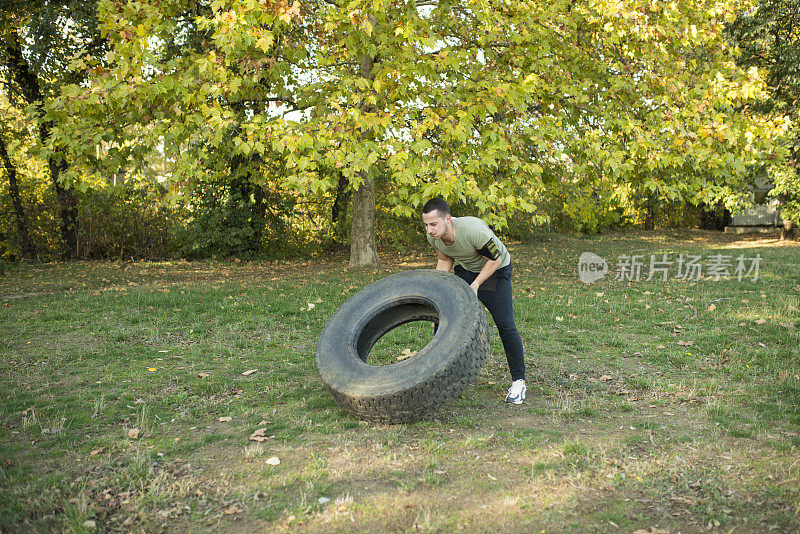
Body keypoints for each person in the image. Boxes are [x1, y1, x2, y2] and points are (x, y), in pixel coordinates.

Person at [421, 198, 526, 404]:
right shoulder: (434, 237)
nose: (429, 229)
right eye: (426, 224)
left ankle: (518, 382)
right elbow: (445, 259)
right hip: (468, 270)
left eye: (433, 224)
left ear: (448, 219)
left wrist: (476, 285)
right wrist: (435, 288)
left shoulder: (473, 231)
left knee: (505, 324)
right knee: (442, 316)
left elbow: (494, 259)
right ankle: (441, 375)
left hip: (496, 271)